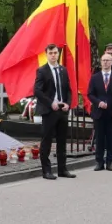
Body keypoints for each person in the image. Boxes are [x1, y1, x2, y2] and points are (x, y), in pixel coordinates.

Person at [34, 44, 76, 179]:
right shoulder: (42, 71)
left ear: (59, 54)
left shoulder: (63, 70)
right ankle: (46, 171)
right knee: (46, 141)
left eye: (55, 53)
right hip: (49, 110)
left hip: (62, 110)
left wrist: (68, 104)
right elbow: (37, 91)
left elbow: (69, 90)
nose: (53, 55)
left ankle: (62, 169)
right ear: (46, 54)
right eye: (50, 53)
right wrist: (50, 103)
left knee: (62, 141)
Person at [88, 52, 112, 171]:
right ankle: (99, 162)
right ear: (101, 62)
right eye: (103, 60)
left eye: (108, 60)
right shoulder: (95, 77)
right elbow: (90, 94)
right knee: (99, 138)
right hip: (99, 112)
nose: (105, 62)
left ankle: (110, 161)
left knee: (110, 137)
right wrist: (98, 102)